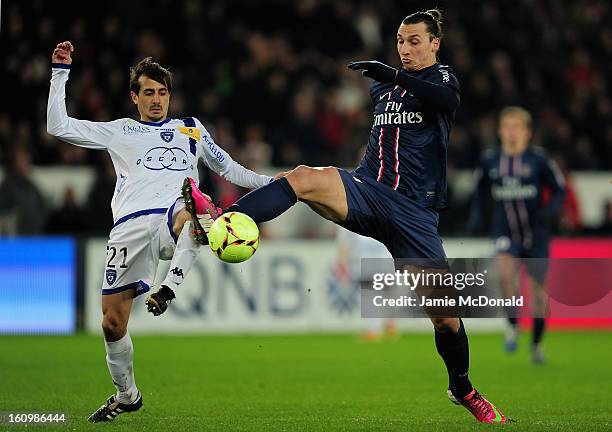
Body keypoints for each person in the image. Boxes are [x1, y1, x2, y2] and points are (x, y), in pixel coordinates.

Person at [195, 9, 510, 424]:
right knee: (304, 177)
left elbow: (447, 102)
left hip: (414, 213)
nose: (405, 48)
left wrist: (391, 74)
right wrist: (387, 84)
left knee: (446, 319)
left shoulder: (442, 79)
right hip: (367, 191)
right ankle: (223, 216)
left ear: (435, 44)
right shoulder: (384, 91)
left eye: (414, 40)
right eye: (400, 40)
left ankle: (463, 388)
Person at [46, 41, 272, 422]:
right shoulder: (120, 131)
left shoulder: (192, 130)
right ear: (134, 97)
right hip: (128, 231)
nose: (157, 100)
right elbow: (57, 126)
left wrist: (276, 183)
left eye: (163, 93)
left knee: (194, 206)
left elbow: (231, 170)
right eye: (148, 92)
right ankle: (127, 394)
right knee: (111, 324)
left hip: (172, 216)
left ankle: (169, 287)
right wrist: (59, 73)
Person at [468, 106, 565, 364]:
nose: (511, 132)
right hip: (504, 231)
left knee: (538, 292)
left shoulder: (539, 160)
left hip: (536, 233)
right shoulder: (490, 160)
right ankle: (512, 324)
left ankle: (536, 344)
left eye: (516, 127)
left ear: (527, 133)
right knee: (504, 275)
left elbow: (559, 189)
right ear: (500, 131)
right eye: (507, 127)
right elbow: (479, 190)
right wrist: (476, 216)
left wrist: (550, 212)